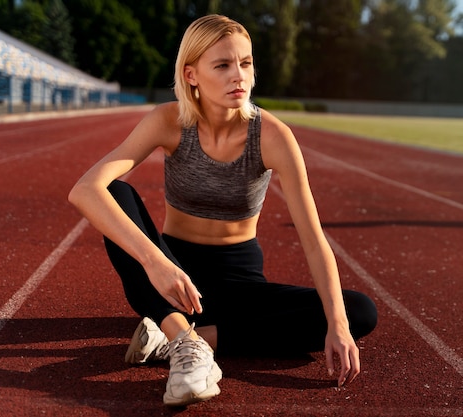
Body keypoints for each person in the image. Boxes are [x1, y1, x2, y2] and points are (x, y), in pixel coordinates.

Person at [68, 14, 377, 407]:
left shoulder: (273, 136)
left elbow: (314, 241)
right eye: (223, 65)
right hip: (173, 271)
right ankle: (183, 338)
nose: (240, 76)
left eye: (246, 63)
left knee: (357, 312)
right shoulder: (168, 121)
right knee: (114, 193)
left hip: (238, 281)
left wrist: (337, 326)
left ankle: (186, 342)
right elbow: (85, 190)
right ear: (192, 75)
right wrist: (155, 262)